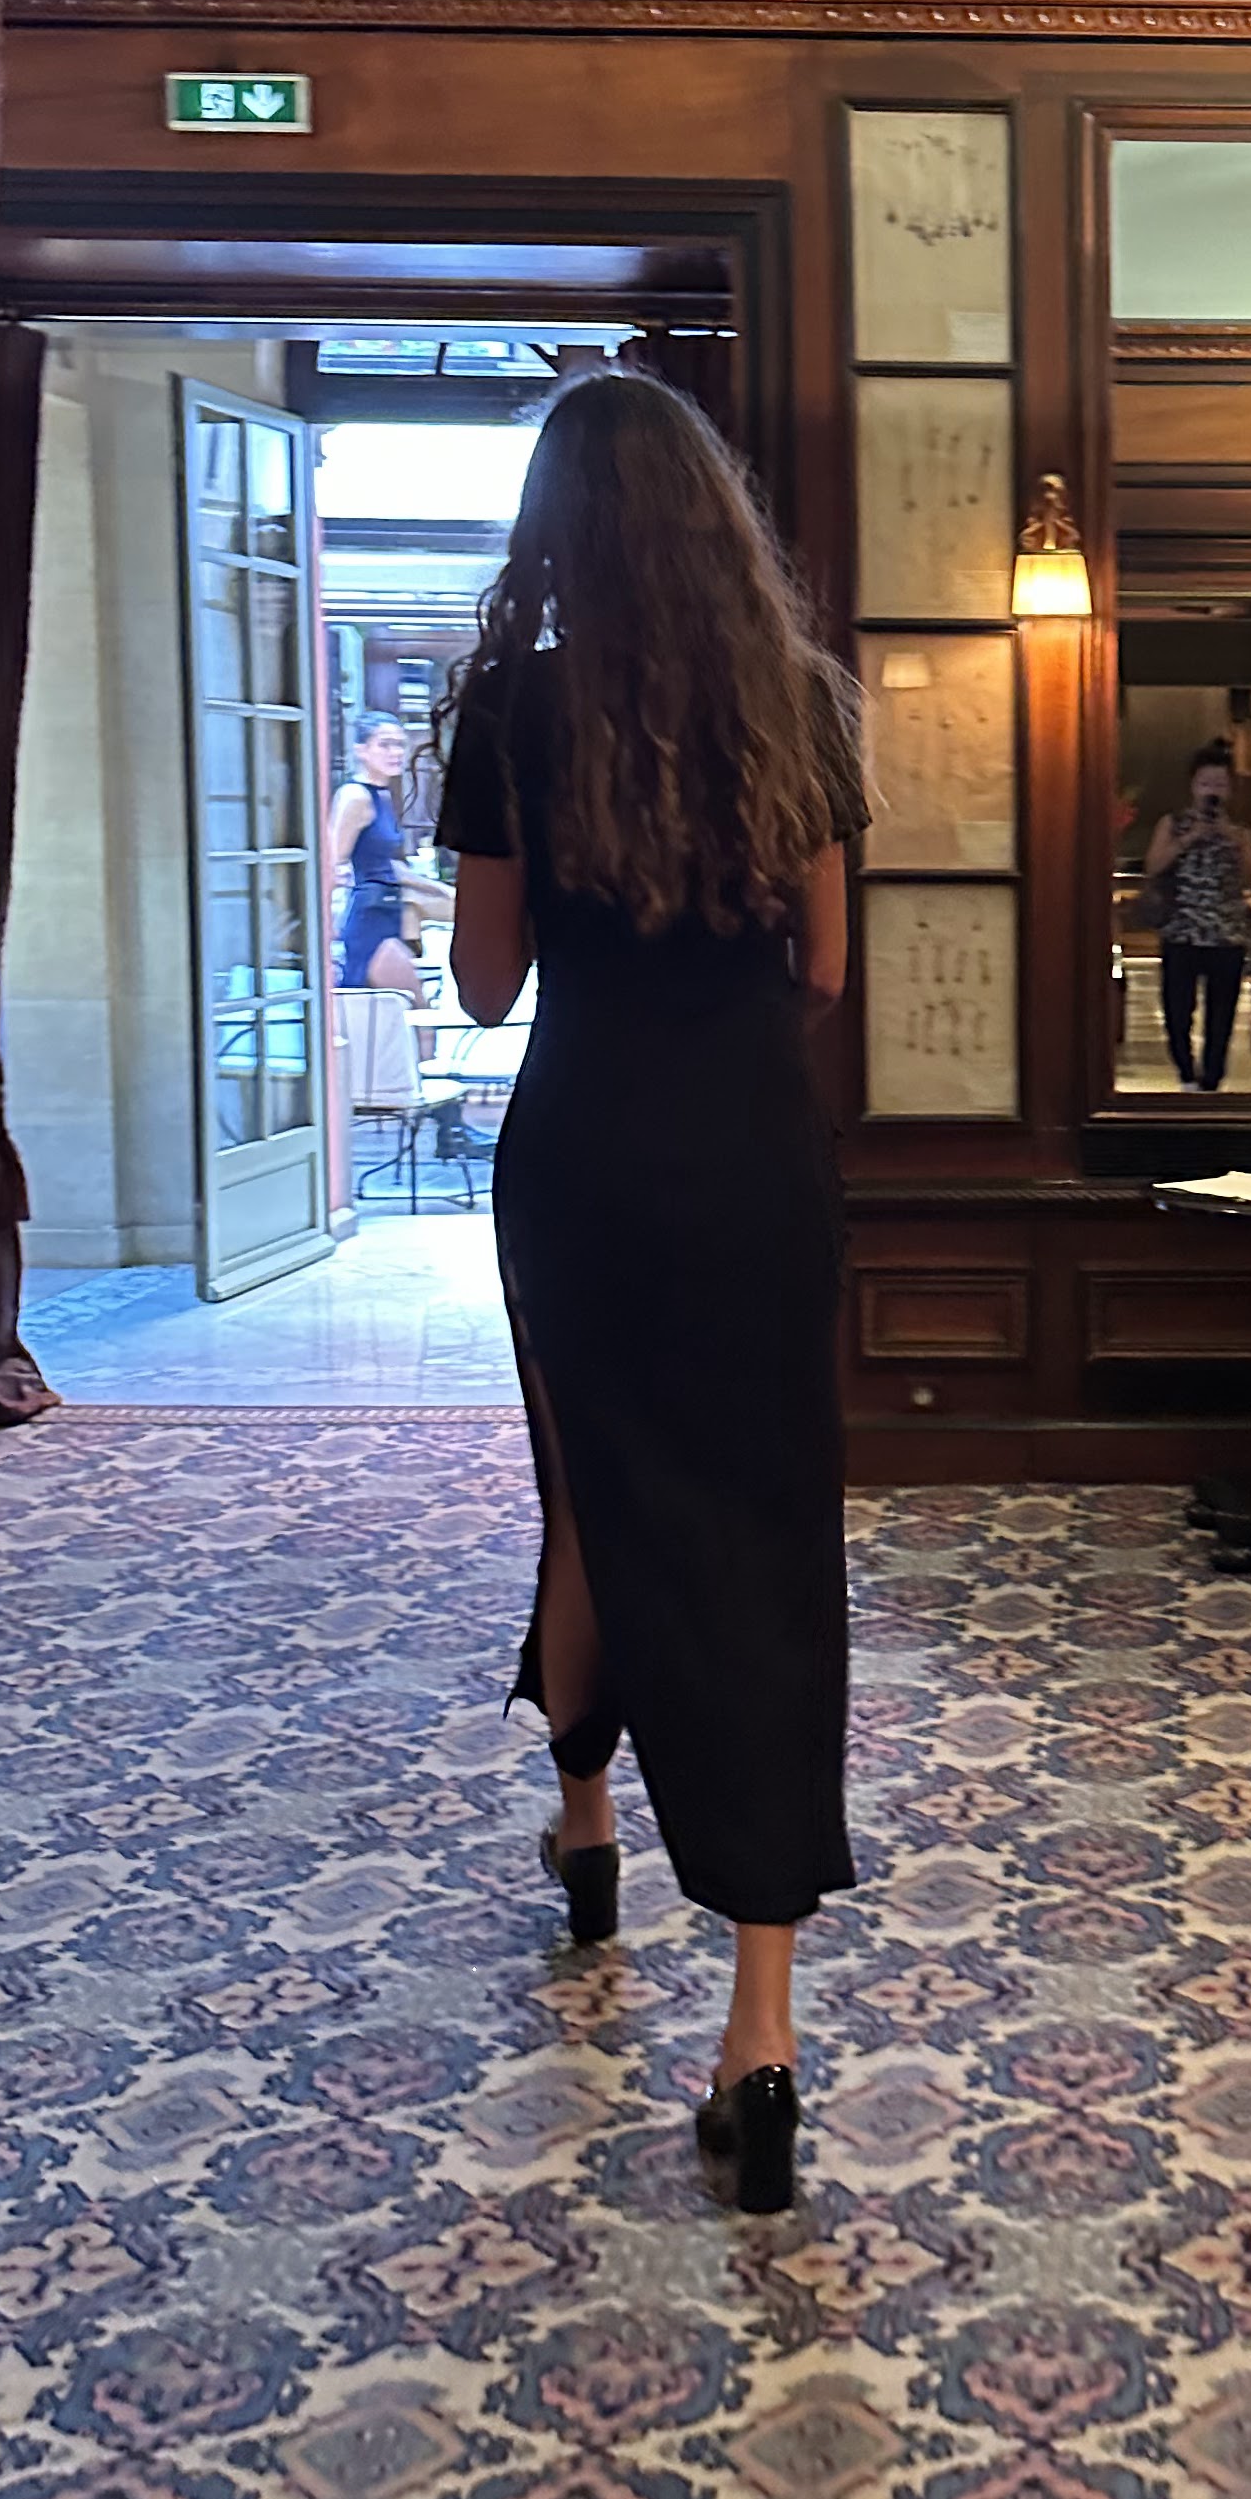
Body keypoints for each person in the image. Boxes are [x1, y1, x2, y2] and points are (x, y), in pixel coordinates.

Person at [439, 365, 868, 2216]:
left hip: (587, 1158)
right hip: (755, 1162)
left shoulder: (512, 708)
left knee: (591, 1504)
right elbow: (824, 968)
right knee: (766, 1540)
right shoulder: (801, 702)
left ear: (557, 532)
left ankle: (587, 1815)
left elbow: (480, 984)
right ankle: (759, 2030)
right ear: (717, 526)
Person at [1143, 742, 1251, 1089]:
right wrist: (1189, 838)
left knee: (1222, 1014)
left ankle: (1212, 1078)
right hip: (1182, 931)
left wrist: (1232, 840)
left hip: (1226, 935)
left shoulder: (1240, 832)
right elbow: (1153, 866)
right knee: (1177, 1010)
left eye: (1219, 784)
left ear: (1230, 790)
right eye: (1206, 783)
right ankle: (1186, 1072)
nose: (1212, 791)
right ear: (1193, 786)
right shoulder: (1173, 824)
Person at [331, 712, 424, 994]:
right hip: (367, 917)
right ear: (361, 750)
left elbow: (389, 866)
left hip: (386, 910)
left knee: (397, 1007)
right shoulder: (355, 796)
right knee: (411, 1006)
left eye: (400, 745)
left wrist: (442, 892)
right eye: (385, 744)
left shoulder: (382, 795)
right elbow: (332, 862)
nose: (395, 752)